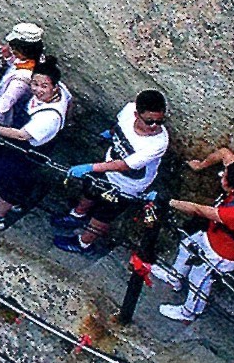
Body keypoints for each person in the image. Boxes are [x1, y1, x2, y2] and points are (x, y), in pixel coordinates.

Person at [53, 90, 169, 255]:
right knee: (90, 190)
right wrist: (111, 133)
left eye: (160, 121)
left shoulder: (158, 143)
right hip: (108, 164)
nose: (155, 126)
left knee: (103, 215)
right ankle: (77, 215)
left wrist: (90, 167)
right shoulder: (129, 111)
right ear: (137, 114)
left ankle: (83, 243)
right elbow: (119, 124)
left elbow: (126, 165)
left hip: (128, 184)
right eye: (150, 121)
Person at [152, 160, 234, 321]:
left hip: (223, 253)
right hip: (213, 235)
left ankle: (189, 312)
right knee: (186, 246)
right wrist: (202, 164)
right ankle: (174, 279)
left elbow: (198, 210)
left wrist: (169, 202)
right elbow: (225, 153)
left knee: (199, 278)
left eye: (224, 176)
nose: (222, 176)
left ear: (232, 188)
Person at [0, 54, 70, 224]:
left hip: (29, 147)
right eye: (34, 84)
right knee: (11, 174)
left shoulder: (50, 116)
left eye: (44, 86)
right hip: (26, 139)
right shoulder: (61, 91)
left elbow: (22, 135)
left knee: (14, 180)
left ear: (54, 87)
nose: (38, 90)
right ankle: (10, 201)